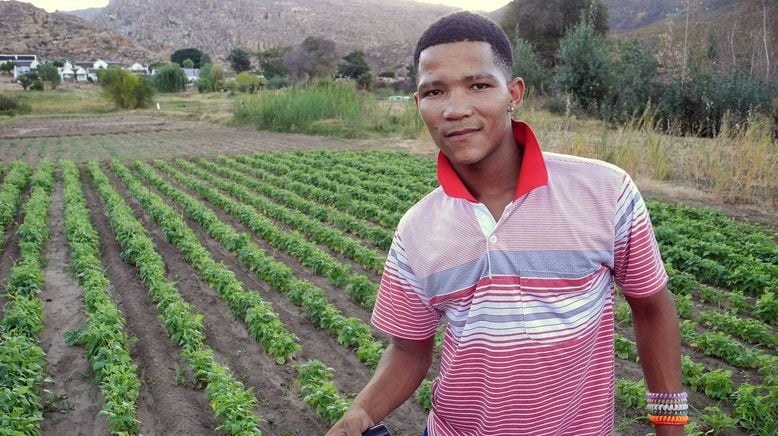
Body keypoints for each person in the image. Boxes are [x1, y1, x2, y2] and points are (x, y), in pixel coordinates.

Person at [327, 11, 684, 436]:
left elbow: (652, 308)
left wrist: (670, 425)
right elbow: (408, 349)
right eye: (434, 92)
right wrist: (362, 413)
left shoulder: (606, 191)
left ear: (513, 93)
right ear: (419, 104)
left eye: (478, 85)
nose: (456, 109)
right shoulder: (417, 228)